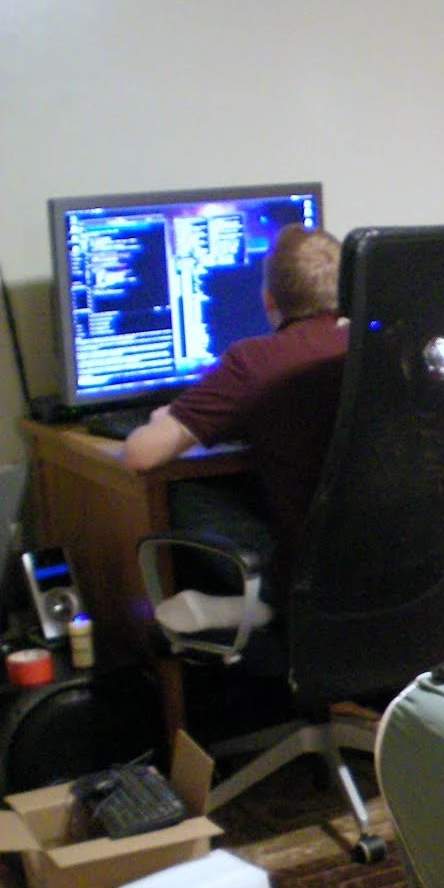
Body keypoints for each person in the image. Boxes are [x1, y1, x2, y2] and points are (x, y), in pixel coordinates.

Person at [123, 223, 348, 606]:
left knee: (187, 494)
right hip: (399, 571)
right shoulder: (382, 345)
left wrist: (165, 419)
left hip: (308, 578)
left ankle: (257, 597)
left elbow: (139, 455)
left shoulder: (254, 362)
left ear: (268, 299)